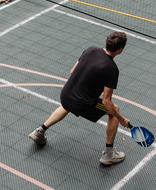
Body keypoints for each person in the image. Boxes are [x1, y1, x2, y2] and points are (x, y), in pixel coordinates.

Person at [28, 31, 131, 166]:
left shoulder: (91, 50)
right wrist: (121, 119)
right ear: (120, 50)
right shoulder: (111, 69)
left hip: (66, 95)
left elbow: (73, 71)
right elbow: (106, 101)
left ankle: (39, 131)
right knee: (114, 110)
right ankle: (109, 154)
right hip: (83, 104)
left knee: (68, 105)